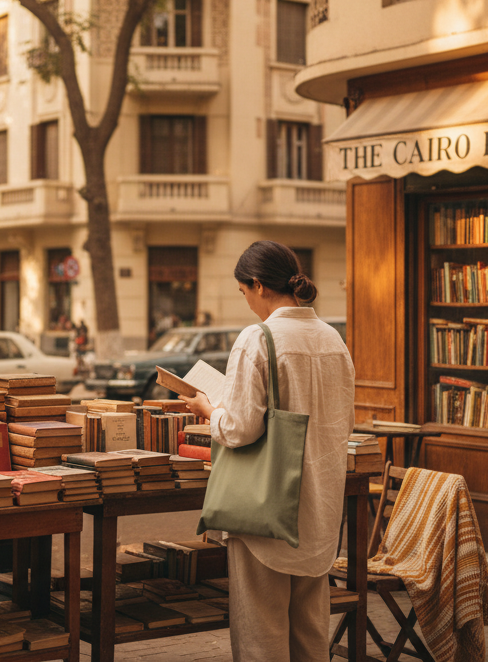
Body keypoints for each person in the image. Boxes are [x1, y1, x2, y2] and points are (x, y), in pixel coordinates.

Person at [179, 240, 355, 662]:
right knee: (312, 633)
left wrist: (209, 410)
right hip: (320, 511)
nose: (247, 304)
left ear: (257, 284)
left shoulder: (258, 339)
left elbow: (240, 429)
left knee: (261, 635)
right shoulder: (334, 339)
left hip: (266, 513)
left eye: (244, 293)